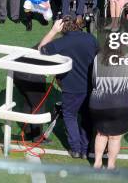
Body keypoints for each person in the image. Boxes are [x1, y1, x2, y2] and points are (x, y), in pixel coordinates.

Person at [39, 17, 99, 159]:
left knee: (70, 116)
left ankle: (76, 149)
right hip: (91, 86)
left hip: (71, 88)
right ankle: (85, 149)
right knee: (87, 117)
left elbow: (41, 49)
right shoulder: (91, 39)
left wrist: (53, 31)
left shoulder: (62, 42)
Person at [90, 40, 128, 169]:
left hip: (99, 101)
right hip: (121, 103)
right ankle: (111, 165)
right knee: (115, 138)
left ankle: (97, 162)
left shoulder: (98, 58)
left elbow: (94, 80)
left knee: (101, 134)